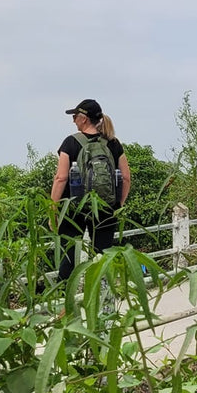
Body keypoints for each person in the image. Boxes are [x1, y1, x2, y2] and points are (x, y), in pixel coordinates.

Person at [50, 98, 132, 282]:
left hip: (72, 210)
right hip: (105, 208)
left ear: (84, 119)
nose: (73, 121)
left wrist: (53, 210)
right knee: (103, 259)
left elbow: (61, 178)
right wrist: (118, 204)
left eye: (75, 117)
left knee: (68, 259)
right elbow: (126, 177)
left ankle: (65, 305)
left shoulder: (70, 143)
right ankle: (104, 304)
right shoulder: (113, 143)